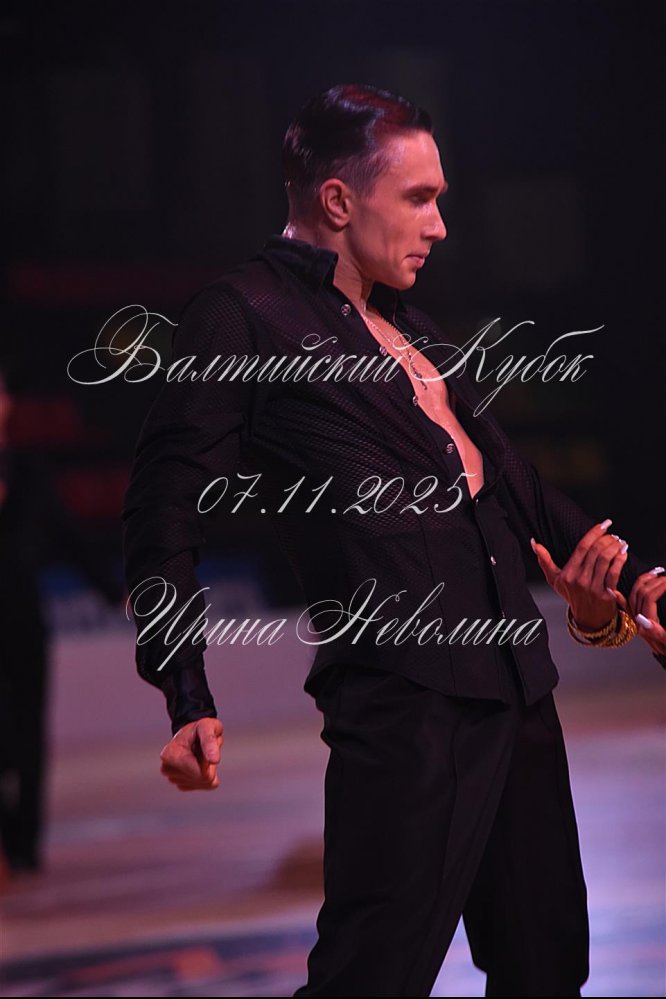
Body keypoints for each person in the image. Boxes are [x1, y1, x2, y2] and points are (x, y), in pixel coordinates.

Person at [122, 85, 666, 996]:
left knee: (549, 970)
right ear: (339, 200)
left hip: (520, 697)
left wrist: (642, 582)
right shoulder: (244, 315)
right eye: (419, 198)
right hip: (408, 712)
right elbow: (162, 506)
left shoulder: (414, 328)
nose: (440, 225)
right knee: (370, 979)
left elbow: (516, 485)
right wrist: (184, 687)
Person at [0, 367, 122, 874]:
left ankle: (26, 846)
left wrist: (116, 592)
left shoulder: (30, 471)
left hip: (23, 620)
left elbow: (71, 539)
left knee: (30, 733)